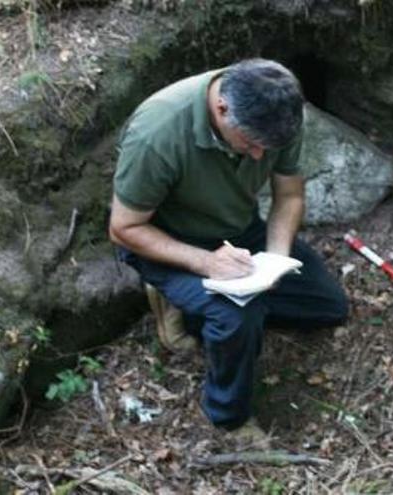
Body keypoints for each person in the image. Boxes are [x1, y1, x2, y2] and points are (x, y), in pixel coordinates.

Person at [108, 58, 349, 440]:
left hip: (237, 231)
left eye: (265, 147)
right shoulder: (157, 132)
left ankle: (194, 309)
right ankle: (228, 416)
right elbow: (124, 228)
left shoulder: (279, 108)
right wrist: (205, 264)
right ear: (221, 109)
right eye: (251, 143)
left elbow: (289, 195)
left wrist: (274, 260)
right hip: (169, 243)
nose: (258, 156)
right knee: (238, 318)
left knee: (328, 306)